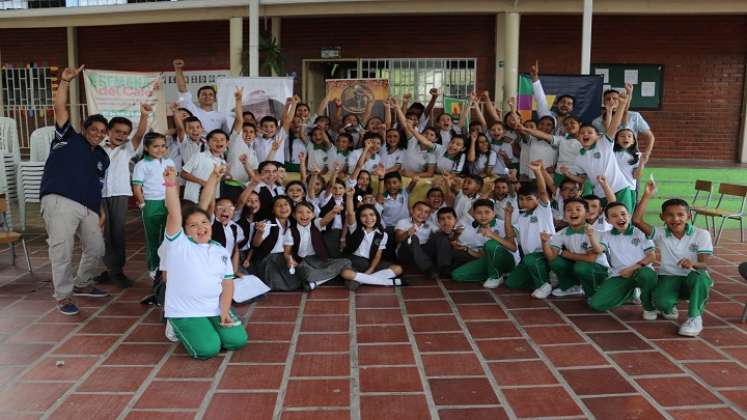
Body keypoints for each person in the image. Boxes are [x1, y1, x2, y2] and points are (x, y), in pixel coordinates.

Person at [41, 65, 109, 315]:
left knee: (97, 248)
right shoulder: (67, 137)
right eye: (94, 130)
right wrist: (65, 82)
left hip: (89, 206)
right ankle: (64, 295)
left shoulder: (103, 155)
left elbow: (97, 184)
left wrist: (99, 210)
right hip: (60, 201)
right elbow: (60, 108)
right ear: (84, 129)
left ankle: (82, 282)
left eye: (102, 132)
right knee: (62, 249)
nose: (98, 134)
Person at [161, 166, 248, 359]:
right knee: (208, 350)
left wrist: (224, 311)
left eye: (204, 223)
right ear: (184, 230)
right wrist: (170, 184)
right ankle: (175, 326)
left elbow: (227, 283)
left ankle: (209, 325)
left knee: (237, 340)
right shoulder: (179, 245)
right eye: (193, 225)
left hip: (213, 307)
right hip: (185, 311)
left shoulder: (218, 249)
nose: (201, 228)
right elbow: (175, 213)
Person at [633, 180, 714, 337]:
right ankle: (670, 305)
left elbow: (704, 264)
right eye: (670, 215)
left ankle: (694, 318)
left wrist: (693, 263)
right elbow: (636, 221)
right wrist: (647, 195)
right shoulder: (661, 233)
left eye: (680, 214)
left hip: (693, 275)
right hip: (669, 276)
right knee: (661, 302)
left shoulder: (701, 234)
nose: (675, 219)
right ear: (662, 217)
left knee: (701, 278)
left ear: (688, 216)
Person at [97, 104, 149, 288]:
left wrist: (143, 115)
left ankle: (117, 270)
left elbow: (140, 133)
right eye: (117, 131)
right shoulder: (97, 148)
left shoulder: (129, 148)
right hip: (100, 195)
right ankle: (108, 269)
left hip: (120, 194)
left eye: (125, 133)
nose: (121, 135)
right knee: (103, 233)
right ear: (108, 131)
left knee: (117, 232)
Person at [588, 201, 658, 318]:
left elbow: (652, 256)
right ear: (608, 221)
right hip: (620, 274)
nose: (620, 218)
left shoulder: (640, 232)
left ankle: (648, 306)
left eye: (623, 214)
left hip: (641, 270)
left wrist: (632, 269)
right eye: (614, 216)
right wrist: (590, 236)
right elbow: (599, 250)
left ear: (629, 216)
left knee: (647, 275)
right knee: (596, 304)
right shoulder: (606, 235)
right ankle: (630, 293)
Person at [504, 161, 556, 299]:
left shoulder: (542, 210)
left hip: (545, 253)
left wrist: (537, 171)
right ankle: (540, 277)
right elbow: (510, 234)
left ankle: (545, 284)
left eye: (529, 199)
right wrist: (507, 216)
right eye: (521, 199)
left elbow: (543, 191)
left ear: (538, 200)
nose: (524, 202)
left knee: (531, 260)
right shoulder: (522, 217)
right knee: (511, 283)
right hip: (529, 257)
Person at [543, 198, 609, 298]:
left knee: (581, 267)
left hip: (598, 269)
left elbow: (591, 258)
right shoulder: (561, 233)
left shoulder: (593, 232)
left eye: (578, 209)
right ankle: (572, 287)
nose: (573, 212)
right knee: (556, 262)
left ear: (587, 214)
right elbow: (551, 258)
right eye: (569, 210)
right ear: (564, 215)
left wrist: (564, 253)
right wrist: (545, 242)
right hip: (578, 265)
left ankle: (595, 291)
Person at [132, 132, 176, 279]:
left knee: (169, 235)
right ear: (146, 147)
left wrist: (174, 201)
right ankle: (153, 266)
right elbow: (137, 187)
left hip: (168, 202)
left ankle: (168, 265)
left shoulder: (169, 162)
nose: (160, 149)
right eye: (155, 146)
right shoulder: (142, 165)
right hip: (151, 203)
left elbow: (173, 184)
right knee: (152, 238)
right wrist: (143, 204)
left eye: (163, 146)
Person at [451, 199, 518, 288]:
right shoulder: (476, 230)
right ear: (474, 214)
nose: (483, 216)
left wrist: (493, 235)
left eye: (487, 212)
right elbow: (482, 255)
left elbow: (513, 248)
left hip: (509, 261)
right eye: (479, 213)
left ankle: (496, 276)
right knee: (457, 275)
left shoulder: (503, 224)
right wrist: (465, 249)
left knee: (491, 244)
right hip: (489, 262)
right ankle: (498, 275)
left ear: (494, 213)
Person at [173, 58, 231, 134]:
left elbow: (226, 136)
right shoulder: (192, 109)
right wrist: (178, 69)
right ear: (198, 98)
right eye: (204, 94)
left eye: (210, 94)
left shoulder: (222, 117)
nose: (207, 96)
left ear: (215, 99)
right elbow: (182, 90)